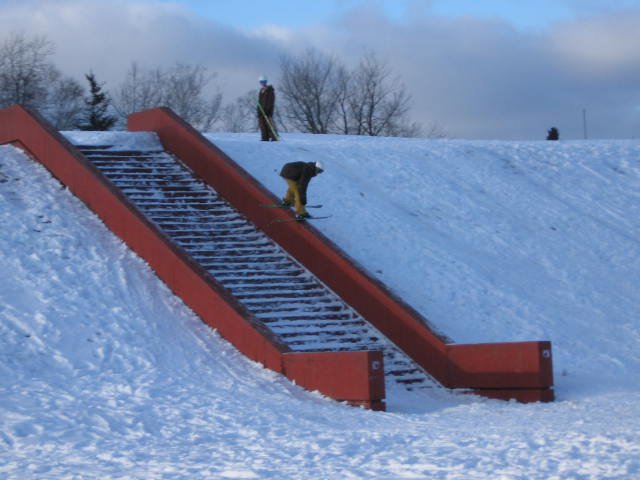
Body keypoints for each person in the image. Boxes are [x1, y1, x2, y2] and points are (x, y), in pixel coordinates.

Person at [257, 76, 278, 141]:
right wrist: (258, 110)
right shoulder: (261, 91)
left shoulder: (270, 90)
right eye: (261, 82)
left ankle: (274, 137)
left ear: (266, 82)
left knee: (268, 123)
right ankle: (264, 137)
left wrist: (267, 109)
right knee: (262, 124)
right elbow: (259, 101)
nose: (262, 83)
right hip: (261, 110)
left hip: (267, 110)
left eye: (264, 82)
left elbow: (270, 101)